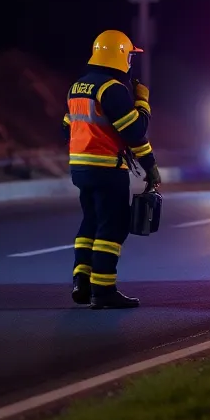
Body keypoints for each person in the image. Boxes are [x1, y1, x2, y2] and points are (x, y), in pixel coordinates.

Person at [63, 30, 160, 309]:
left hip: (80, 169)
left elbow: (65, 128)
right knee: (114, 226)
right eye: (129, 55)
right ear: (120, 55)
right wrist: (142, 101)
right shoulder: (112, 89)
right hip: (106, 168)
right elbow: (135, 131)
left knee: (91, 222)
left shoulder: (77, 87)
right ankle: (103, 291)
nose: (131, 61)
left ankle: (82, 282)